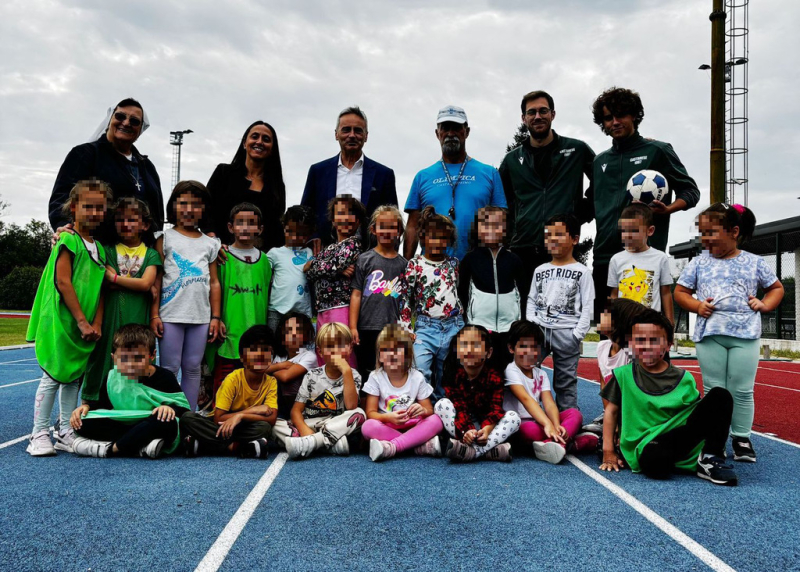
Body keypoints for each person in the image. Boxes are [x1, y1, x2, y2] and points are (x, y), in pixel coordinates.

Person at [674, 203, 784, 463]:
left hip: (745, 335)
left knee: (743, 390)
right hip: (710, 335)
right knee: (715, 390)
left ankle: (742, 437)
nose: (705, 239)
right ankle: (716, 439)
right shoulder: (699, 263)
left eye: (711, 232)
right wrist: (697, 306)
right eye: (702, 233)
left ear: (734, 232)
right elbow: (680, 292)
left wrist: (765, 304)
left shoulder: (754, 262)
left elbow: (776, 288)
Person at [590, 87, 700, 320]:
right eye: (608, 118)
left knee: (649, 334)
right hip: (605, 258)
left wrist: (669, 209)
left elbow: (690, 191)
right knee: (609, 335)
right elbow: (592, 203)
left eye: (621, 115)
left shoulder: (658, 151)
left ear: (635, 116)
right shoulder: (600, 161)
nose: (615, 122)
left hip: (645, 258)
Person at [599, 310, 739, 486]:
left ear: (668, 345)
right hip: (648, 443)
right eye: (640, 340)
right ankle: (689, 459)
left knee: (721, 395)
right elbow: (611, 412)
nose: (647, 346)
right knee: (656, 466)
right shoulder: (623, 376)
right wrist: (608, 450)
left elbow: (696, 419)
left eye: (654, 341)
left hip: (681, 436)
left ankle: (711, 457)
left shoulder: (683, 378)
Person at [26, 179, 111, 456]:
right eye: (88, 206)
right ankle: (38, 432)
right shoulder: (68, 239)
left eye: (100, 208)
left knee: (73, 378)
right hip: (63, 322)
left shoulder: (99, 247)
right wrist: (81, 321)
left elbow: (100, 290)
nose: (95, 213)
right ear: (73, 208)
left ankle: (65, 430)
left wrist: (95, 322)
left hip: (84, 325)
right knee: (53, 375)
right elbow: (63, 282)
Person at [499, 90, 595, 313]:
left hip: (562, 250)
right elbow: (501, 202)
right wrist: (514, 229)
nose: (537, 116)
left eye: (543, 111)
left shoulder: (576, 149)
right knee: (525, 318)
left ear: (552, 114)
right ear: (524, 118)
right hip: (523, 249)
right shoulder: (512, 160)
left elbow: (604, 181)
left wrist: (580, 214)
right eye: (531, 112)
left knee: (562, 316)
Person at [49, 98, 164, 244]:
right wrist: (63, 226)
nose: (126, 123)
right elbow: (61, 197)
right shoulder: (85, 154)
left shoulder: (147, 167)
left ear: (140, 128)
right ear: (110, 119)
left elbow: (157, 212)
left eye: (134, 121)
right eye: (120, 116)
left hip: (142, 256)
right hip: (98, 251)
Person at [151, 181, 222, 410]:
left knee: (192, 368)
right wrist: (154, 315)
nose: (189, 209)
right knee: (169, 368)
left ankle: (188, 417)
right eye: (183, 203)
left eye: (196, 204)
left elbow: (214, 282)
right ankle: (167, 415)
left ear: (204, 209)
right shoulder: (165, 238)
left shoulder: (210, 243)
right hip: (170, 314)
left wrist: (215, 317)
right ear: (174, 206)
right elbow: (157, 278)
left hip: (200, 317)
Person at [83, 197, 161, 404]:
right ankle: (91, 405)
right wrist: (133, 285)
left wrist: (114, 278)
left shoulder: (151, 254)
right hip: (109, 317)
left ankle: (131, 406)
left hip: (137, 318)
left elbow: (146, 284)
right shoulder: (107, 251)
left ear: (144, 225)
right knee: (102, 360)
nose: (125, 224)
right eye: (120, 219)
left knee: (134, 363)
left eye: (132, 220)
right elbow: (104, 286)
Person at [70, 325, 190, 459]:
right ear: (113, 358)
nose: (130, 364)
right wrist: (86, 407)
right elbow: (105, 406)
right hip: (124, 423)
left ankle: (112, 449)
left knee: (167, 422)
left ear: (152, 355)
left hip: (150, 423)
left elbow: (184, 411)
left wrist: (169, 408)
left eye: (138, 358)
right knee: (82, 421)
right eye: (123, 359)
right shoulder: (112, 377)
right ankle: (140, 446)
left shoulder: (165, 377)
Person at [404, 105, 507, 261]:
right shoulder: (422, 177)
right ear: (437, 133)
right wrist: (406, 265)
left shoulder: (490, 173)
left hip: (478, 270)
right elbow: (412, 226)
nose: (450, 133)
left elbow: (502, 220)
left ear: (466, 131)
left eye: (457, 128)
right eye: (445, 128)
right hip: (433, 272)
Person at [502, 320, 597, 464]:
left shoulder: (541, 374)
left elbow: (549, 403)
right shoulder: (511, 370)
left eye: (534, 347)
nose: (529, 352)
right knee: (529, 429)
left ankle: (555, 444)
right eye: (523, 347)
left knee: (574, 414)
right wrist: (548, 425)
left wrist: (556, 424)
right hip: (521, 424)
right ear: (511, 348)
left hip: (540, 421)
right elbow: (527, 400)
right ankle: (570, 444)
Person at [526, 214, 594, 411]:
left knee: (565, 382)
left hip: (567, 333)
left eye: (558, 235)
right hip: (539, 331)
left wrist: (577, 335)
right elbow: (532, 298)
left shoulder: (582, 272)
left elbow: (588, 305)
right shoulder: (540, 270)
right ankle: (532, 415)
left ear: (574, 238)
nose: (552, 240)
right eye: (548, 235)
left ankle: (568, 420)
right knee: (529, 373)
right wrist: (532, 324)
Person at [301, 106, 397, 246]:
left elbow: (392, 219)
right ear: (336, 134)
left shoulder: (384, 175)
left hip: (370, 256)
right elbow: (305, 213)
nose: (352, 135)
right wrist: (312, 239)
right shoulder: (318, 172)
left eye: (358, 130)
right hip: (324, 254)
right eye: (346, 129)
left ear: (366, 136)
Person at [180, 325, 278, 459]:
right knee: (187, 419)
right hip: (219, 424)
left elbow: (272, 419)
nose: (260, 355)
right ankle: (237, 447)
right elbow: (218, 418)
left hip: (245, 425)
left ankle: (204, 445)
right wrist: (250, 411)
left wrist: (241, 417)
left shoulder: (271, 382)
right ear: (243, 358)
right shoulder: (233, 379)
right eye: (254, 350)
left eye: (266, 351)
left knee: (264, 428)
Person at [274, 323, 366, 459]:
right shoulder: (312, 375)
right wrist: (305, 430)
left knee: (359, 414)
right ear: (320, 351)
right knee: (275, 424)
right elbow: (296, 411)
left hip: (335, 425)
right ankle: (328, 444)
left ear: (350, 348)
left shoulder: (354, 375)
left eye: (341, 345)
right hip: (311, 423)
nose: (336, 350)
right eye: (329, 346)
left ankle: (313, 443)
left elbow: (351, 406)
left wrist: (346, 371)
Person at [210, 203, 273, 403]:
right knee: (224, 390)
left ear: (260, 229)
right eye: (240, 223)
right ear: (230, 227)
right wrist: (216, 318)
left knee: (252, 390)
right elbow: (214, 288)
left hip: (256, 339)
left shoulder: (265, 261)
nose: (245, 228)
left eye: (251, 223)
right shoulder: (222, 257)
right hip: (229, 335)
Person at [398, 206, 463, 397]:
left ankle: (443, 409)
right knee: (420, 369)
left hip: (453, 325)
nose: (438, 242)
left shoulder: (453, 263)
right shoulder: (415, 264)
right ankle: (424, 408)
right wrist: (406, 328)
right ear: (423, 237)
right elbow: (405, 298)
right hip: (426, 328)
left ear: (449, 240)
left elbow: (456, 290)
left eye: (443, 237)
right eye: (433, 236)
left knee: (447, 373)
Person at [434, 325, 521, 462]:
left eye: (475, 345)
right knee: (441, 405)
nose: (469, 350)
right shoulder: (453, 376)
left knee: (514, 418)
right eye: (464, 345)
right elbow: (459, 408)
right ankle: (489, 451)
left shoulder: (494, 377)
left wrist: (486, 431)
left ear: (488, 352)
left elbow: (495, 410)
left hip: (487, 428)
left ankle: (472, 452)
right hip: (462, 427)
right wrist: (467, 431)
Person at [457, 206, 525, 370]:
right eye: (486, 225)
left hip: (509, 328)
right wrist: (468, 321)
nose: (491, 229)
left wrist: (520, 323)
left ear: (505, 229)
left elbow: (523, 292)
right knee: (483, 371)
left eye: (497, 225)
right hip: (479, 327)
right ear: (478, 229)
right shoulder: (470, 259)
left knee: (509, 372)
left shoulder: (514, 260)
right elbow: (462, 292)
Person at [362, 325, 443, 461]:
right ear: (380, 356)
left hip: (413, 425)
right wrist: (388, 418)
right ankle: (418, 446)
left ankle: (393, 447)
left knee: (437, 421)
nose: (392, 354)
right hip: (388, 425)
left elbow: (429, 410)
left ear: (407, 355)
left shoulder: (416, 376)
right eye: (386, 350)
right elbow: (370, 413)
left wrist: (422, 410)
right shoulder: (375, 377)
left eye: (398, 349)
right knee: (367, 427)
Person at [206, 121, 286, 251]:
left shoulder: (276, 187)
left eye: (266, 139)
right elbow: (206, 210)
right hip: (222, 254)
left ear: (272, 149)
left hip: (259, 260)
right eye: (254, 136)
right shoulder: (223, 173)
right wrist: (213, 241)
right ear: (244, 143)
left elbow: (275, 227)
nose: (259, 142)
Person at [304, 194, 364, 362]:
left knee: (342, 351)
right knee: (323, 351)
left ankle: (349, 385)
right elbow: (310, 273)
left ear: (358, 221)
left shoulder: (353, 244)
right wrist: (334, 269)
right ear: (333, 221)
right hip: (323, 309)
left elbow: (330, 266)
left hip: (341, 307)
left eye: (350, 214)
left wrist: (319, 265)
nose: (345, 218)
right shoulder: (329, 248)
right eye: (340, 214)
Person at [349, 205, 407, 374]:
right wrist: (353, 327)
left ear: (399, 231)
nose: (387, 231)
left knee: (389, 371)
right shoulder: (364, 260)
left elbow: (406, 302)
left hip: (392, 330)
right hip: (366, 328)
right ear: (373, 229)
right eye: (382, 226)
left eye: (392, 227)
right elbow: (356, 294)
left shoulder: (404, 265)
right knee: (366, 372)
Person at [582, 298, 649, 434]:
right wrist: (610, 418)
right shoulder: (602, 347)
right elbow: (604, 385)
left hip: (634, 414)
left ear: (619, 322)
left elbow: (636, 396)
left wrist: (621, 425)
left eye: (606, 314)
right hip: (614, 412)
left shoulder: (632, 355)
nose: (601, 316)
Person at [607, 203, 674, 324]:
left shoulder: (660, 258)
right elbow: (614, 294)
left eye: (634, 230)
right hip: (624, 323)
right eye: (624, 230)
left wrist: (670, 322)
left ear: (650, 230)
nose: (628, 235)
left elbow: (666, 293)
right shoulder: (616, 259)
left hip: (651, 324)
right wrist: (611, 321)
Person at [266, 205, 315, 333]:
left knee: (301, 347)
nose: (294, 237)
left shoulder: (310, 252)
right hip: (277, 309)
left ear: (309, 233)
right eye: (290, 231)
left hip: (302, 311)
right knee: (274, 345)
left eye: (300, 234)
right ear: (284, 227)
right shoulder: (274, 253)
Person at [267, 312, 318, 419]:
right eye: (289, 330)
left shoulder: (309, 356)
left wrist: (270, 369)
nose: (293, 334)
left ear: (305, 335)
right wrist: (284, 365)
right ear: (282, 335)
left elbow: (286, 377)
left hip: (303, 407)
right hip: (279, 405)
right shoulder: (279, 356)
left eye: (298, 330)